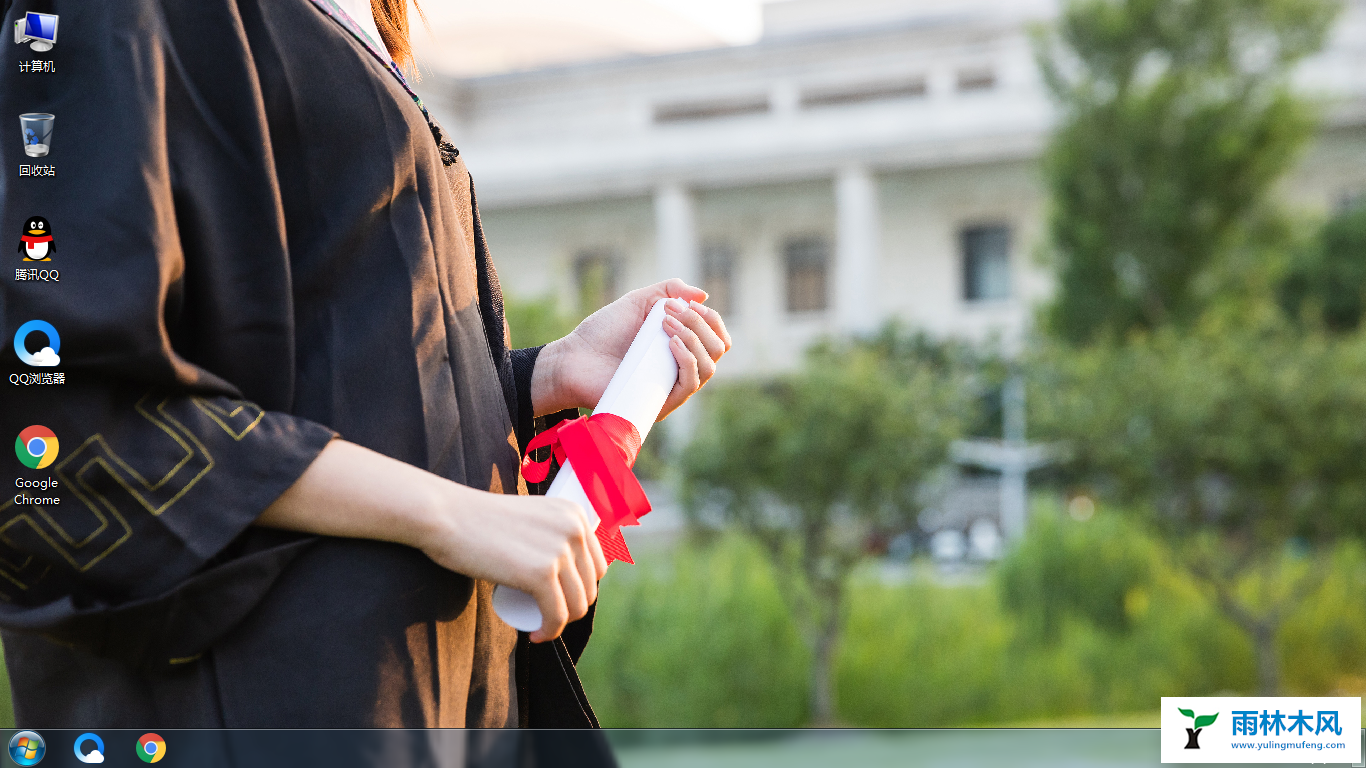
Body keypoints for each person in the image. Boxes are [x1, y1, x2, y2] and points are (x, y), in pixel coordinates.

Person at [0, 0, 730, 729]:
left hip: (443, 694)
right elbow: (61, 399)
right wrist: (447, 513)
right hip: (281, 698)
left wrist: (543, 377)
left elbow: (341, 377)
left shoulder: (362, 25)